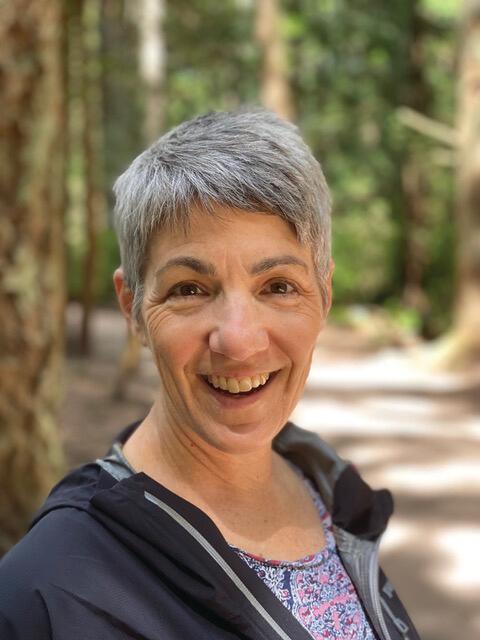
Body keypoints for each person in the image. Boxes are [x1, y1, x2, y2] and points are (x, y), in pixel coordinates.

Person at [0, 109, 420, 640]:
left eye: (278, 286)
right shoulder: (47, 593)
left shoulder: (327, 491)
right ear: (132, 308)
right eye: (190, 290)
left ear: (325, 293)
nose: (239, 340)